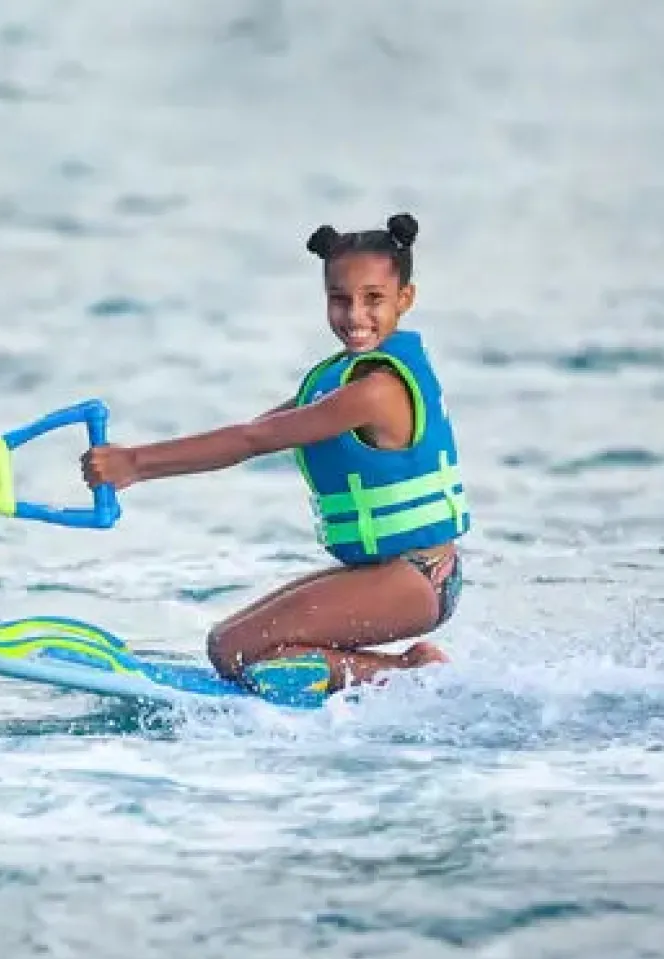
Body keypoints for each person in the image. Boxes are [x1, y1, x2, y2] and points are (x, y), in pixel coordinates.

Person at [81, 213, 470, 707]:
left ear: (405, 299)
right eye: (339, 299)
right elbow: (256, 431)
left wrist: (134, 464)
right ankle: (373, 673)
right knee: (226, 646)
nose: (354, 315)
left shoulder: (375, 390)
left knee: (244, 654)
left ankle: (408, 675)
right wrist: (138, 460)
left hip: (418, 576)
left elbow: (254, 438)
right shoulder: (342, 380)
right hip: (399, 573)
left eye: (373, 299)